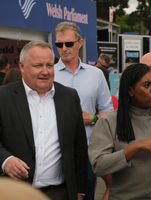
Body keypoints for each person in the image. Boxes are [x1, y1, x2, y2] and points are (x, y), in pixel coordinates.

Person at [0, 41, 88, 200]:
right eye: (38, 66)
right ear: (21, 66)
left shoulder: (69, 97)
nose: (45, 71)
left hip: (59, 193)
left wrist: (80, 191)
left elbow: (79, 147)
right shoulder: (3, 97)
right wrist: (5, 160)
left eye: (49, 65)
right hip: (14, 192)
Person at [89, 63, 151, 200]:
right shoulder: (109, 122)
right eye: (147, 85)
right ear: (130, 90)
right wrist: (135, 147)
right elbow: (98, 166)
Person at [53, 22, 113, 200]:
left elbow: (108, 113)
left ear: (80, 43)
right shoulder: (49, 73)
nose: (64, 48)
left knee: (85, 194)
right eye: (59, 44)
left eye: (69, 43)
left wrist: (93, 118)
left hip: (87, 150)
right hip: (55, 149)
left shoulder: (95, 74)